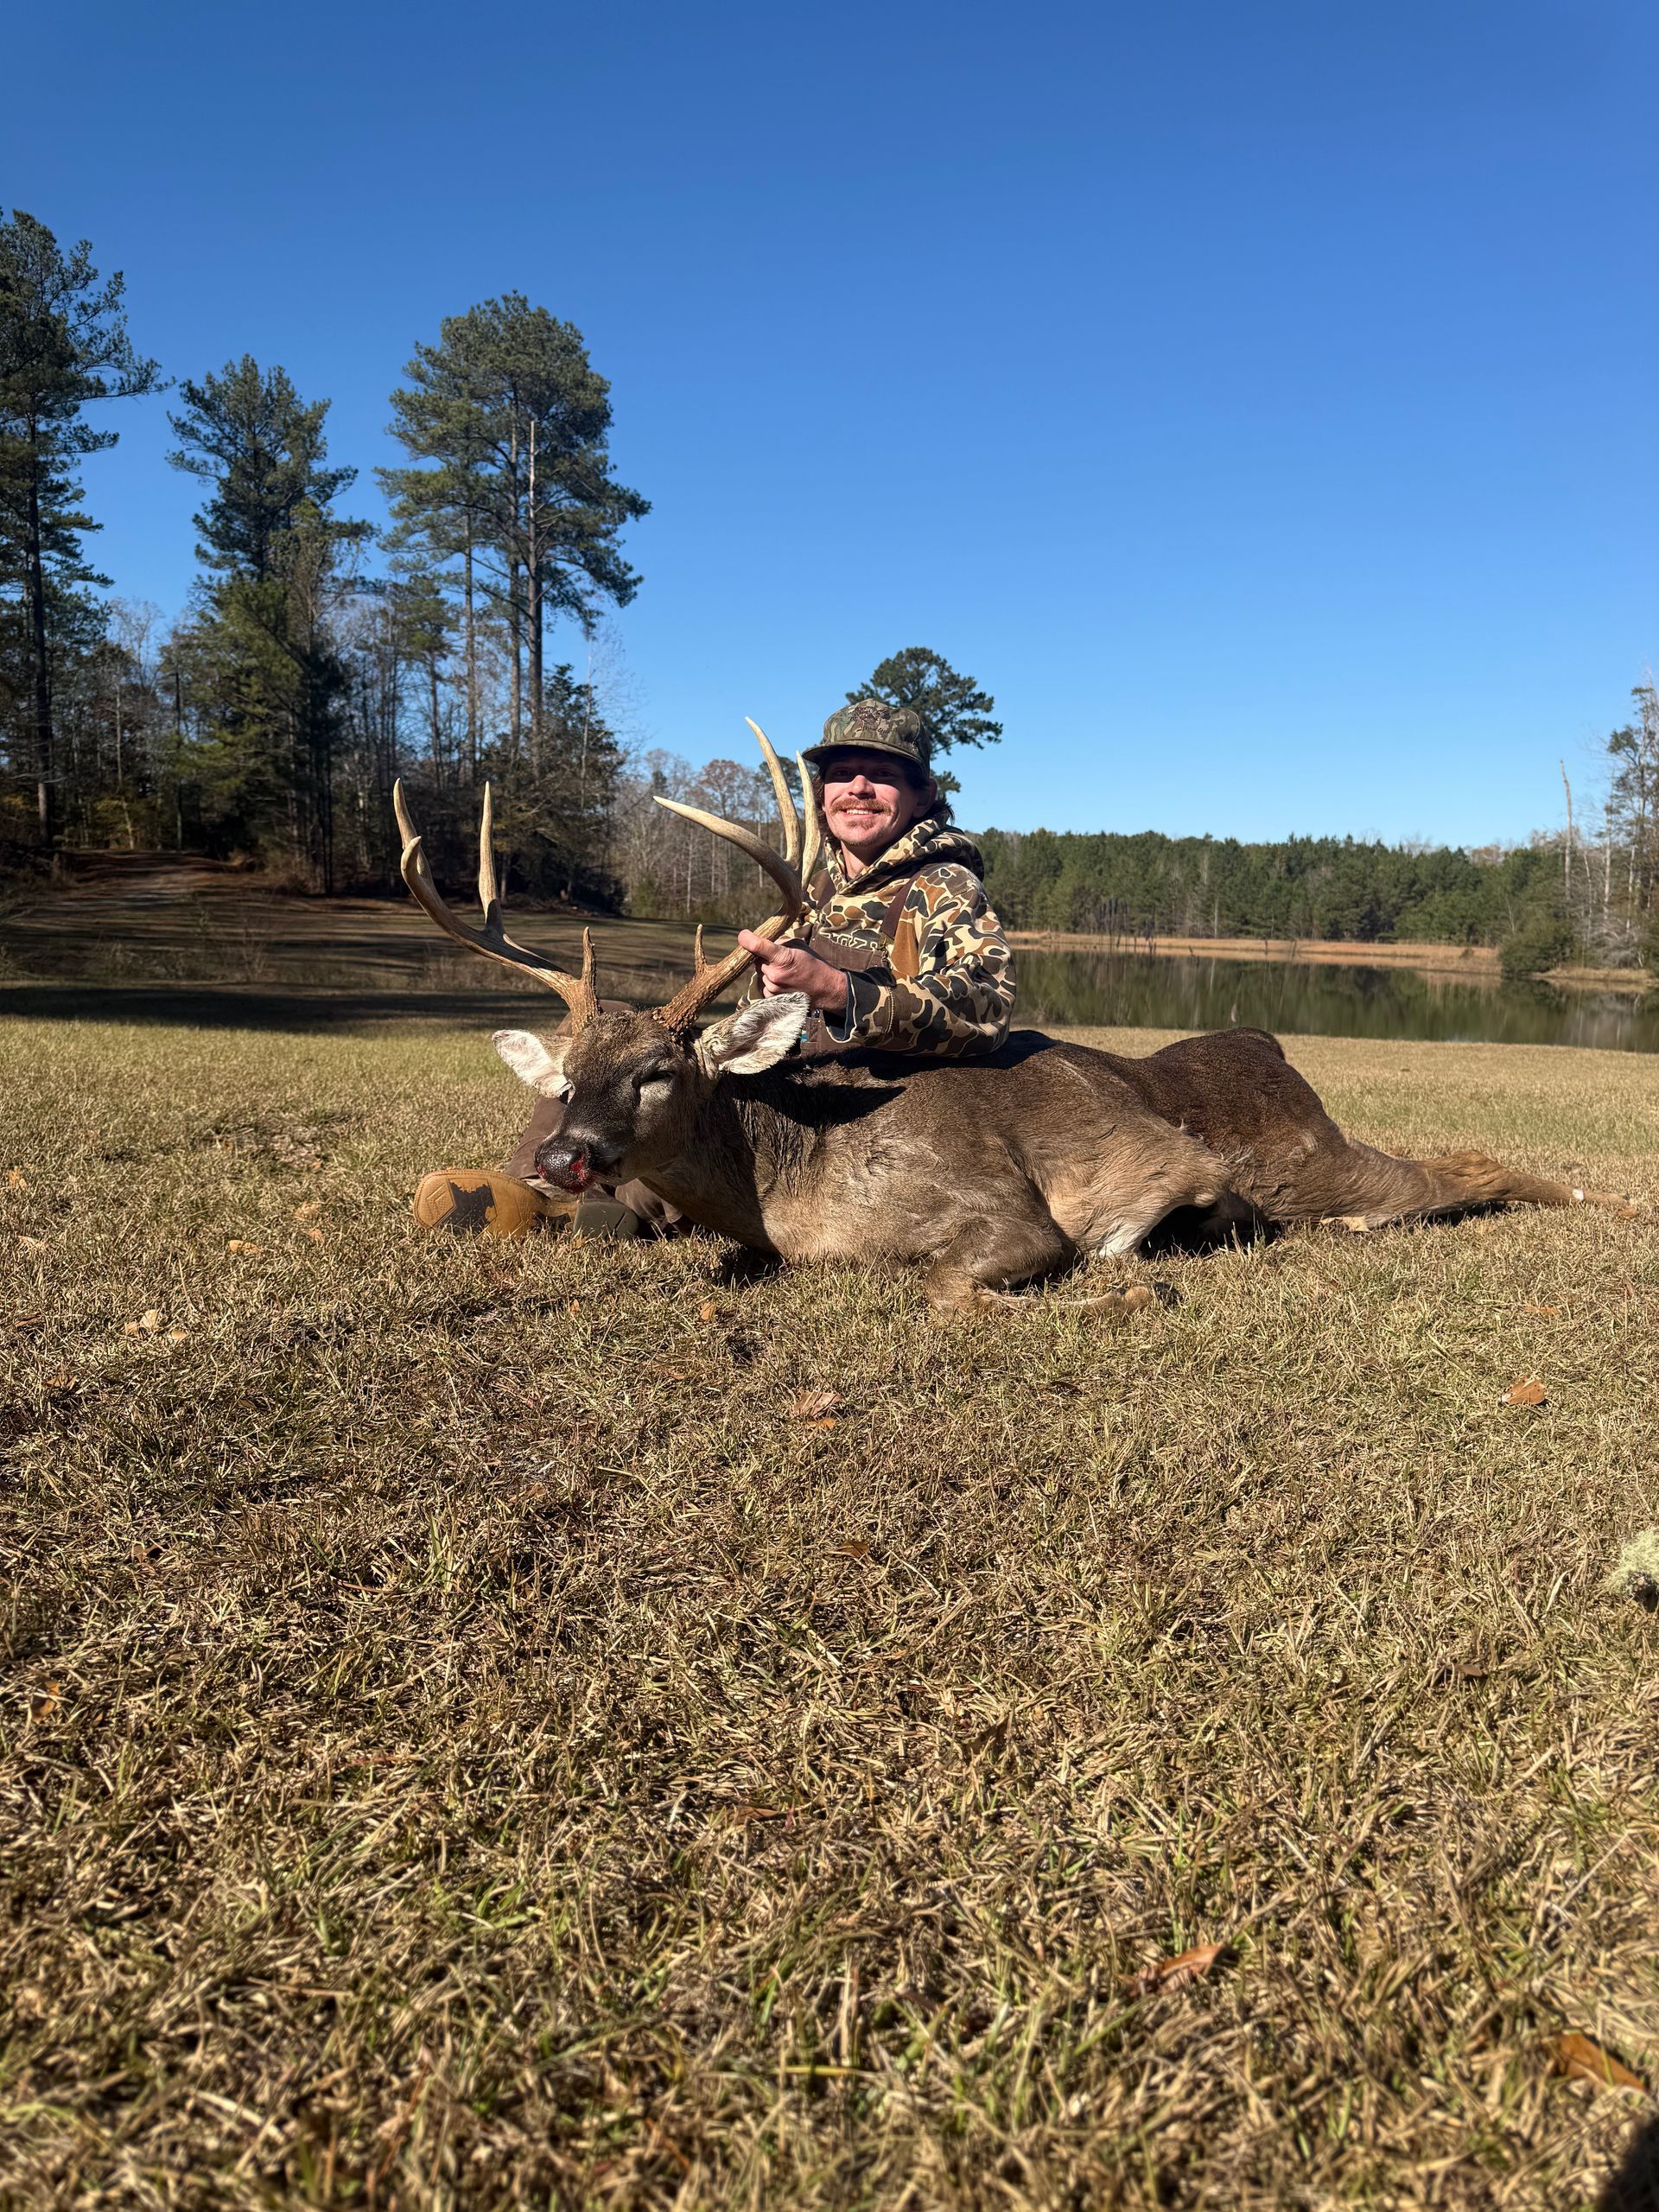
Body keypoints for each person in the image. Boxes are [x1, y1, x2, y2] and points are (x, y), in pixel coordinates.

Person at [412, 697, 1015, 1237]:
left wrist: (835, 988)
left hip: (863, 1107)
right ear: (822, 794)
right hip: (779, 1077)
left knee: (684, 1149)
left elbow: (986, 1009)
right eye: (841, 776)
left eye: (882, 776)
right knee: (609, 1030)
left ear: (923, 794)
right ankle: (536, 1183)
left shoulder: (942, 885)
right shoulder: (808, 888)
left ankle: (585, 1212)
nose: (859, 788)